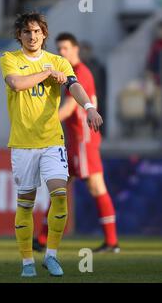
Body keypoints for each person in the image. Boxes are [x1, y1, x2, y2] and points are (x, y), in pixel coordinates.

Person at [0, 12, 103, 277]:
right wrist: (46, 74)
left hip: (51, 141)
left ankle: (52, 256)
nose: (32, 36)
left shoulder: (58, 61)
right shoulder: (10, 59)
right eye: (26, 32)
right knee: (26, 203)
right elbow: (17, 83)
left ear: (44, 34)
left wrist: (89, 107)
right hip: (23, 144)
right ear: (19, 35)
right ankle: (26, 263)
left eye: (36, 31)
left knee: (59, 196)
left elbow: (74, 85)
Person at [34, 33, 119, 254]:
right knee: (60, 186)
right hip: (75, 140)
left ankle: (111, 241)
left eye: (65, 48)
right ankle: (43, 239)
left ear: (75, 49)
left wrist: (45, 123)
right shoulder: (71, 73)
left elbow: (71, 107)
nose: (61, 53)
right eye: (59, 49)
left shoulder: (80, 73)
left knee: (92, 186)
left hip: (84, 140)